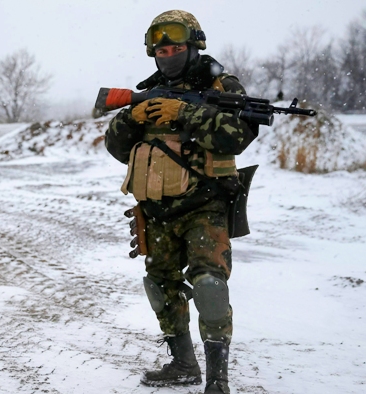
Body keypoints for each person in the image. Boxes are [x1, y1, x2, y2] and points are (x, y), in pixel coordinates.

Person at [104, 10, 258, 394]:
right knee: (160, 285)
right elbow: (117, 146)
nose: (168, 55)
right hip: (156, 209)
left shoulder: (221, 85)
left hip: (205, 204)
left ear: (194, 46)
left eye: (175, 47)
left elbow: (237, 135)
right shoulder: (149, 90)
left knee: (208, 285)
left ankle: (217, 379)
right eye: (161, 49)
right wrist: (132, 116)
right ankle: (182, 364)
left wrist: (185, 113)